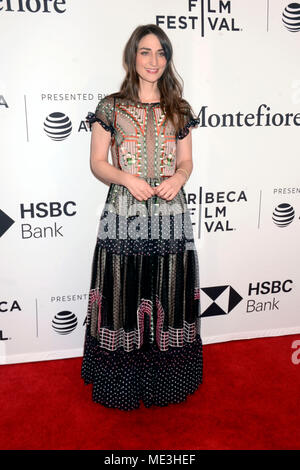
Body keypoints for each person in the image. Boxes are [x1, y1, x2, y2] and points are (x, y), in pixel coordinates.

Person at [81, 24, 202, 411]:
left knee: (169, 288)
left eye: (161, 53)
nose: (154, 61)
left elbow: (186, 160)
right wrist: (125, 177)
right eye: (146, 52)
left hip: (169, 211)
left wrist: (179, 177)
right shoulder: (110, 107)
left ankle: (167, 380)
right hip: (124, 210)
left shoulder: (178, 108)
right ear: (132, 56)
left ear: (168, 59)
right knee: (123, 291)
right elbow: (98, 164)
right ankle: (121, 380)